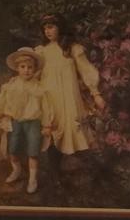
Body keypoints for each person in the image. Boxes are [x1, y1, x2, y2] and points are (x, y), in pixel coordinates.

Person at [34, 14, 105, 158]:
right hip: (50, 97)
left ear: (61, 28)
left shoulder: (72, 49)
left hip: (69, 97)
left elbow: (86, 71)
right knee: (52, 128)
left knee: (73, 128)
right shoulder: (42, 51)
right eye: (45, 28)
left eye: (51, 27)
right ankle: (55, 173)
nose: (47, 31)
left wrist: (96, 94)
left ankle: (80, 167)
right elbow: (35, 75)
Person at [0, 48, 54, 194]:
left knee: (33, 151)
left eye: (30, 67)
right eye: (23, 67)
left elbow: (46, 106)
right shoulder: (11, 85)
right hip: (15, 121)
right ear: (17, 68)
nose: (26, 71)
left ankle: (32, 179)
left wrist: (47, 124)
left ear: (35, 69)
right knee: (12, 149)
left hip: (33, 122)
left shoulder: (39, 87)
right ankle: (17, 169)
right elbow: (2, 100)